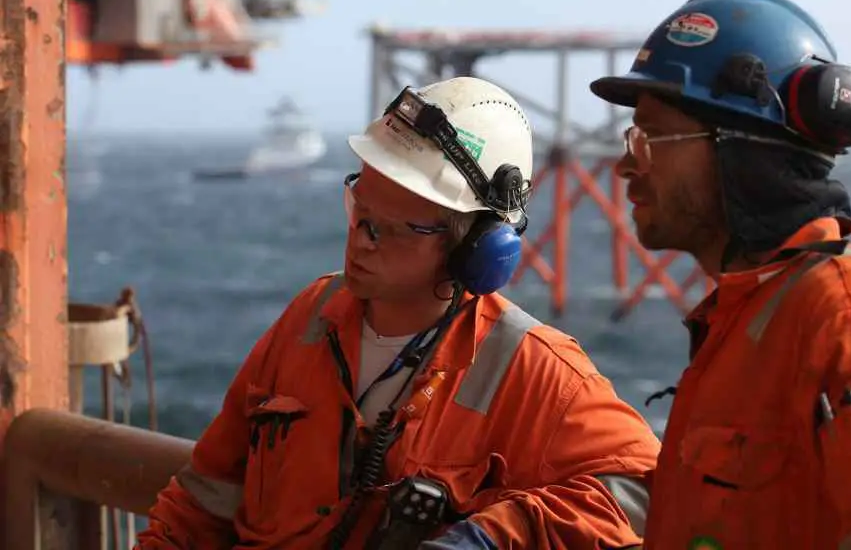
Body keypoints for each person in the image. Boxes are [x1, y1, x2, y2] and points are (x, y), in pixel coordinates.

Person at [134, 76, 660, 550]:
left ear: (474, 247)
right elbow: (203, 500)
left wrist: (496, 535)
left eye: (393, 228)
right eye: (359, 211)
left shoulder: (530, 367)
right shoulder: (310, 318)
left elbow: (645, 491)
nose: (360, 241)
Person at [589, 0, 851, 550]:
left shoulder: (844, 311)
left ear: (740, 147)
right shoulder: (746, 313)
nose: (626, 165)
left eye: (651, 137)